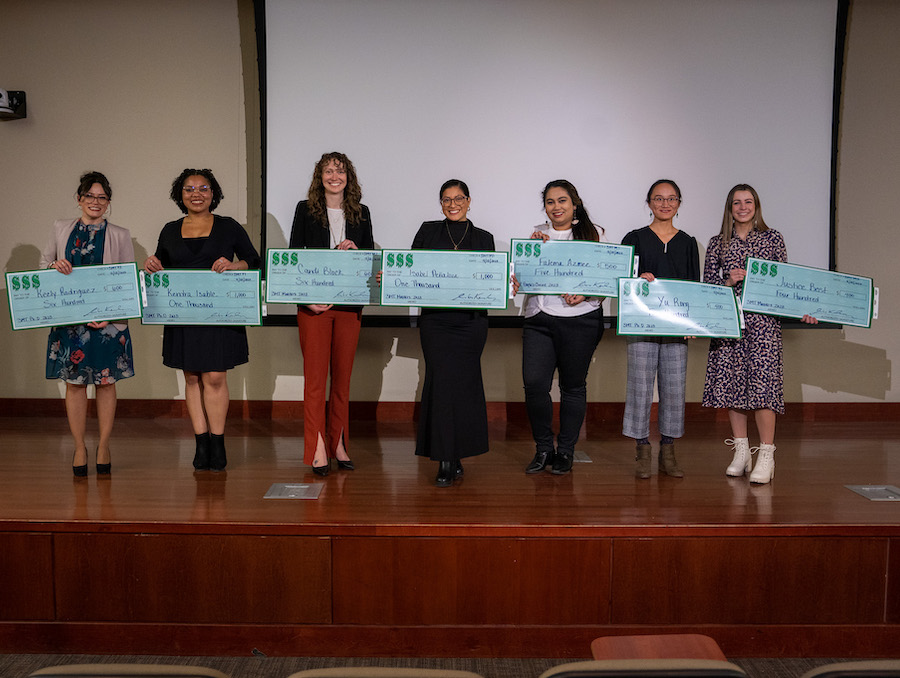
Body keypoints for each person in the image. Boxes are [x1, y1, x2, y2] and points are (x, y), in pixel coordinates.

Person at [144, 168, 260, 472]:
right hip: (183, 315)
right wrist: (152, 264)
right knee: (192, 377)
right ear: (180, 195)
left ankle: (218, 443)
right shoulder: (169, 229)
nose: (196, 194)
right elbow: (161, 264)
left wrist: (235, 265)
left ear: (213, 193)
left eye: (203, 188)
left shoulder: (229, 227)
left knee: (215, 378)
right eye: (189, 189)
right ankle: (201, 441)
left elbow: (254, 260)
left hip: (219, 314)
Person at [702, 184, 816, 484]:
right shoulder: (717, 243)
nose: (742, 207)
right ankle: (741, 452)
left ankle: (766, 455)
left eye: (748, 202)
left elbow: (787, 285)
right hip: (731, 324)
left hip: (764, 326)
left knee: (764, 389)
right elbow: (707, 290)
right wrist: (728, 281)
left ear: (757, 206)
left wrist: (802, 310)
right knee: (734, 388)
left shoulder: (772, 237)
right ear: (729, 208)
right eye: (736, 203)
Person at [41, 171, 135, 476]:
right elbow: (43, 267)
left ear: (108, 202)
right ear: (79, 199)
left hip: (107, 324)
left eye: (102, 197)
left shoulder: (120, 234)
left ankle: (104, 445)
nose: (96, 202)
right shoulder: (60, 228)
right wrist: (55, 266)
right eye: (90, 196)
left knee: (106, 385)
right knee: (74, 385)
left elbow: (127, 281)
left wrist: (110, 316)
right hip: (71, 323)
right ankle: (80, 447)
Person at [289, 152, 374, 476]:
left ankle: (338, 443)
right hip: (314, 308)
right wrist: (306, 299)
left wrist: (358, 252)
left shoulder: (362, 213)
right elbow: (294, 256)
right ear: (319, 177)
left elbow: (370, 260)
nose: (334, 176)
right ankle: (317, 447)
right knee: (314, 382)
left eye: (340, 171)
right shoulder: (305, 210)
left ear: (348, 177)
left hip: (348, 308)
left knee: (342, 381)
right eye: (328, 170)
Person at [512, 180, 605, 476]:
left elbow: (608, 277)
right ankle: (543, 449)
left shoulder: (595, 235)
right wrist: (522, 265)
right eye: (550, 202)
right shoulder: (536, 236)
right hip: (539, 319)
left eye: (562, 201)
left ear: (574, 204)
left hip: (581, 320)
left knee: (573, 387)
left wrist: (588, 293)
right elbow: (519, 276)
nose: (556, 207)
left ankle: (565, 451)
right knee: (535, 384)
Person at [412, 179, 495, 487]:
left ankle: (458, 454)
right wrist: (392, 275)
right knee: (441, 384)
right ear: (440, 203)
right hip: (436, 323)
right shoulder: (427, 231)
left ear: (469, 201)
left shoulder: (484, 237)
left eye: (458, 198)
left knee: (464, 386)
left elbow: (490, 280)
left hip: (471, 324)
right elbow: (411, 271)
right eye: (446, 199)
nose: (453, 204)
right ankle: (444, 459)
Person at [621, 179, 700, 479]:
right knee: (640, 387)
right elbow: (623, 280)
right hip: (641, 324)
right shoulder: (635, 238)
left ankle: (668, 450)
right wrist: (637, 278)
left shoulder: (689, 242)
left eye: (671, 199)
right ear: (649, 202)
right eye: (658, 198)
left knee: (674, 388)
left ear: (679, 203)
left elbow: (694, 286)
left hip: (676, 328)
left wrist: (693, 323)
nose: (665, 204)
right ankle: (642, 449)